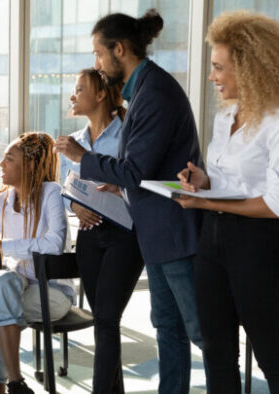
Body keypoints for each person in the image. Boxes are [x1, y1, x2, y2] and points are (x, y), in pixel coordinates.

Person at [54, 9, 206, 393]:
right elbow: (144, 172)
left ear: (119, 49)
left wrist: (81, 157)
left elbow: (135, 170)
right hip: (155, 232)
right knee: (168, 327)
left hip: (173, 231)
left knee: (201, 332)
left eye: (98, 54)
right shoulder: (144, 90)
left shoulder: (154, 92)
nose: (97, 64)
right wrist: (118, 184)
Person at [174, 11, 279, 392]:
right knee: (217, 352)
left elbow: (273, 204)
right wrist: (201, 182)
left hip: (260, 245)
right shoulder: (226, 116)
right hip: (212, 243)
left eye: (219, 68)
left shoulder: (276, 123)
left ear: (250, 68)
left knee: (271, 355)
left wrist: (205, 204)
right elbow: (226, 181)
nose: (211, 76)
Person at [0, 132, 73, 394]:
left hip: (51, 292)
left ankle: (3, 387)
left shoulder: (50, 192)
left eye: (9, 158)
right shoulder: (1, 201)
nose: (1, 164)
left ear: (30, 165)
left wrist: (1, 244)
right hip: (15, 286)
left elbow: (54, 244)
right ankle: (16, 383)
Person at [59, 69, 144, 393]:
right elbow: (66, 188)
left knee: (106, 320)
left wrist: (119, 185)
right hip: (89, 237)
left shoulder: (127, 134)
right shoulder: (73, 141)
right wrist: (74, 206)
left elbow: (139, 177)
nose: (72, 95)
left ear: (99, 95)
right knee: (104, 323)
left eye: (79, 89)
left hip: (126, 233)